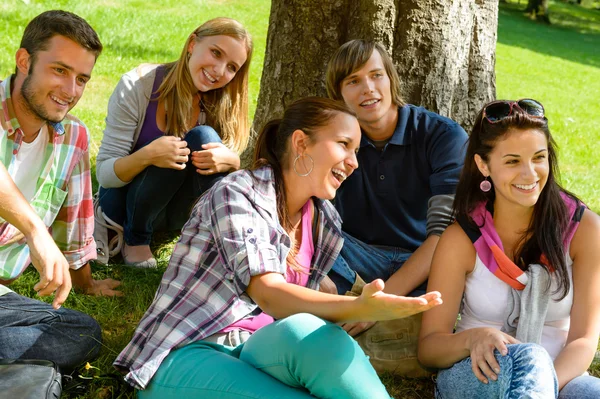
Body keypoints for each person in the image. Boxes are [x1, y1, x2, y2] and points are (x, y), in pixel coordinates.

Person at [114, 97, 442, 398]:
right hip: (190, 350)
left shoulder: (324, 220)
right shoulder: (238, 192)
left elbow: (299, 316)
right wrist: (359, 307)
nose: (354, 162)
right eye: (344, 144)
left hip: (256, 349)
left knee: (316, 334)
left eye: (357, 150)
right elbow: (269, 293)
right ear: (301, 143)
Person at [418, 99, 600, 398]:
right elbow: (429, 348)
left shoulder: (584, 229)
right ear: (483, 165)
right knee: (532, 358)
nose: (530, 175)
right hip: (481, 374)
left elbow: (583, 340)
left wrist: (542, 386)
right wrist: (473, 338)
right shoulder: (463, 238)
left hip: (562, 376)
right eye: (513, 161)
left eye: (538, 158)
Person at [0, 10, 118, 371]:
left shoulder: (74, 136)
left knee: (83, 333)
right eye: (60, 70)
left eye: (81, 78)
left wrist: (84, 281)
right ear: (25, 61)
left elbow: (74, 221)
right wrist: (36, 231)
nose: (70, 91)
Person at [95, 17, 253, 267]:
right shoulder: (137, 86)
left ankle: (215, 243)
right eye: (215, 53)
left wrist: (232, 161)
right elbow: (104, 175)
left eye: (232, 67)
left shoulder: (219, 101)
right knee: (176, 145)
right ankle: (135, 241)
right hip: (123, 208)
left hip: (175, 215)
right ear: (192, 44)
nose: (220, 71)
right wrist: (147, 155)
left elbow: (224, 177)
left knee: (205, 138)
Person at [324, 39, 468, 314]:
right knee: (309, 236)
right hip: (355, 256)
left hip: (424, 261)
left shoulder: (443, 135)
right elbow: (306, 214)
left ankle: (362, 306)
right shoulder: (332, 140)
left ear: (391, 79)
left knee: (457, 270)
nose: (368, 88)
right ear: (339, 94)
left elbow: (443, 235)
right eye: (353, 81)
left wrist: (375, 306)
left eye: (376, 75)